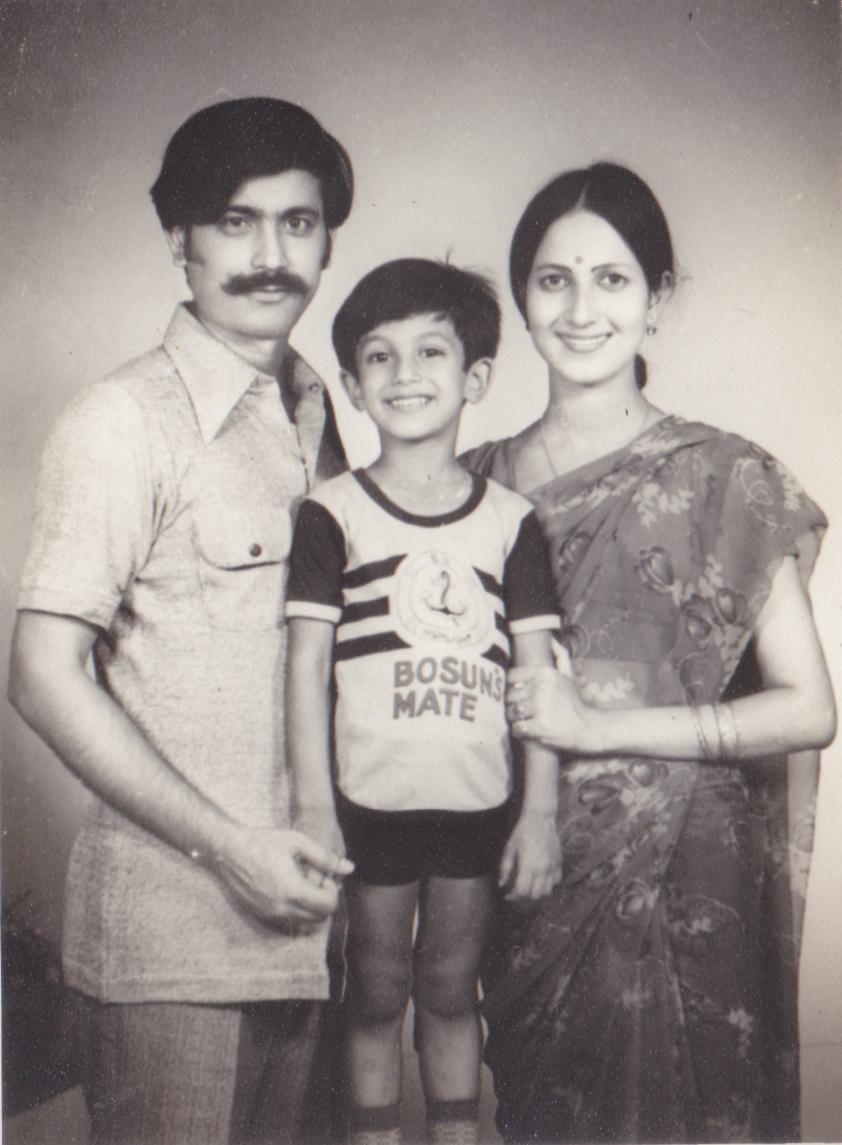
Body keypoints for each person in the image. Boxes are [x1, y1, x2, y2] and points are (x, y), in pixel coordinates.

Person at [462, 163, 836, 1144]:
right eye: (553, 280)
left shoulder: (726, 476)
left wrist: (596, 725)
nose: (581, 309)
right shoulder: (465, 485)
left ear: (656, 300)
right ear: (520, 295)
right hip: (526, 880)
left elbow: (806, 708)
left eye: (612, 279)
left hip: (684, 885)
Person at [8, 97, 356, 1145]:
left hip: (312, 945)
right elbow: (41, 670)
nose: (268, 255)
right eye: (235, 222)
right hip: (173, 950)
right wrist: (227, 849)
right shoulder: (123, 418)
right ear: (179, 241)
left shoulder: (316, 416)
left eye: (296, 223)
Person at [284, 259, 562, 1145]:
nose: (405, 375)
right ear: (356, 389)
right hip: (369, 805)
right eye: (379, 357)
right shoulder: (332, 513)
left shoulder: (513, 522)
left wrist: (542, 813)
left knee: (449, 992)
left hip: (477, 804)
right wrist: (312, 808)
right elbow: (304, 664)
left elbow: (538, 677)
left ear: (474, 377)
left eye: (430, 352)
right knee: (374, 995)